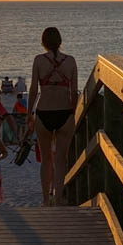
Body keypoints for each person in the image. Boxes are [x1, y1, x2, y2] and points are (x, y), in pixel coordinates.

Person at [27, 27, 78, 206]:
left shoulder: (39, 61)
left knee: (46, 159)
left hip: (44, 112)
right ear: (60, 41)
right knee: (60, 159)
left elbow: (34, 89)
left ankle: (45, 199)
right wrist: (73, 113)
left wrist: (29, 114)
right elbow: (74, 93)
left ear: (43, 42)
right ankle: (59, 198)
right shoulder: (71, 61)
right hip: (65, 113)